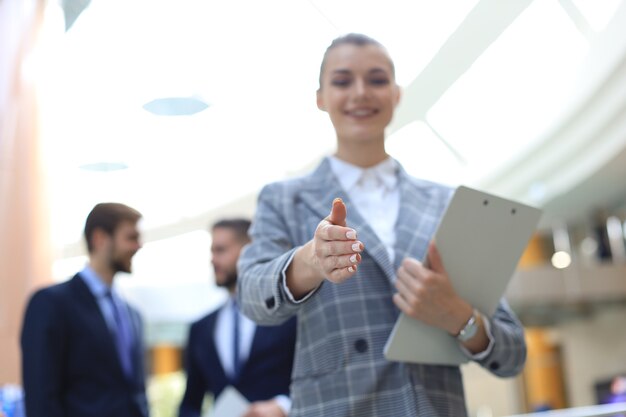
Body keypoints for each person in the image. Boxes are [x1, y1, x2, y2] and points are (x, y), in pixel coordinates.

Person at [237, 33, 527, 417]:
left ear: (396, 94)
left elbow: (512, 354)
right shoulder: (284, 198)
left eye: (376, 80)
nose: (360, 93)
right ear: (320, 97)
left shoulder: (448, 203)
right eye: (342, 81)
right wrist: (309, 262)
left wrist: (459, 316)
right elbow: (252, 298)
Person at [21, 202, 149, 417]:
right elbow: (40, 396)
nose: (139, 246)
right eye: (131, 237)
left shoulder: (132, 314)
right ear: (99, 239)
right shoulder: (51, 304)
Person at [178, 219, 297, 417]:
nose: (212, 260)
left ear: (249, 251)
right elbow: (190, 404)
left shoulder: (289, 315)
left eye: (220, 250)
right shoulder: (201, 328)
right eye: (212, 251)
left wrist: (283, 407)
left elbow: (320, 381)